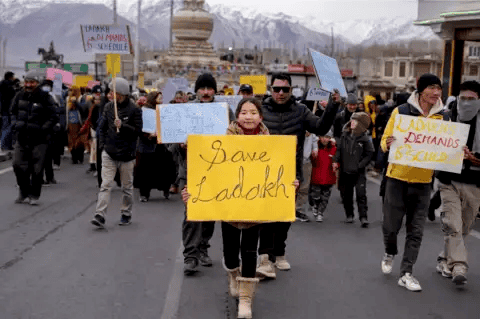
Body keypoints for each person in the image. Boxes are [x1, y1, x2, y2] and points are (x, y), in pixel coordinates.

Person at [182, 98, 284, 319]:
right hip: (228, 209)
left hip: (255, 208)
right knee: (230, 253)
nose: (249, 116)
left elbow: (279, 172)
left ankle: (246, 298)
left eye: (253, 112)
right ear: (237, 117)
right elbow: (208, 171)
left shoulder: (273, 144)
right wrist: (193, 191)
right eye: (244, 112)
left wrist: (288, 184)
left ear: (261, 117)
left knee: (249, 251)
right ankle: (233, 274)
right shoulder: (221, 141)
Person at [256, 72, 340, 279]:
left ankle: (280, 252)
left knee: (285, 217)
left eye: (285, 89)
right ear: (270, 90)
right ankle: (265, 256)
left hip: (291, 174)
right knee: (266, 216)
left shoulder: (301, 111)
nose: (281, 93)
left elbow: (321, 127)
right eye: (277, 89)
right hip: (263, 173)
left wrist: (332, 106)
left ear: (291, 90)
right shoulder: (259, 111)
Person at [380, 73, 446, 292]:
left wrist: (458, 152)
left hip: (423, 181)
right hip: (397, 178)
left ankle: (406, 272)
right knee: (391, 227)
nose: (436, 93)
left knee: (416, 229)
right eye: (432, 88)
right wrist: (388, 143)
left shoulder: (444, 117)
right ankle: (390, 250)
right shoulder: (401, 111)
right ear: (421, 90)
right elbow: (383, 141)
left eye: (439, 88)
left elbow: (447, 146)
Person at [181, 73, 235, 274]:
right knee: (192, 214)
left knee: (210, 214)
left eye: (209, 88)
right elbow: (171, 146)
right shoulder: (187, 111)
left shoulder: (225, 111)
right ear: (196, 91)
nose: (205, 92)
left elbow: (234, 138)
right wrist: (181, 145)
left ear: (215, 90)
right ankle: (190, 256)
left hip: (216, 170)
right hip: (191, 170)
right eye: (202, 88)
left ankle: (203, 247)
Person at [435, 80, 480, 286]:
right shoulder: (446, 117)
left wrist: (474, 159)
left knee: (463, 227)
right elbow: (433, 145)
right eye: (463, 98)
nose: (467, 102)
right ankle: (459, 266)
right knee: (452, 223)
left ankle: (445, 258)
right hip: (449, 180)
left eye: (472, 99)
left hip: (474, 182)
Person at [91, 77, 142, 228]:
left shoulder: (135, 110)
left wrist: (123, 125)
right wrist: (102, 145)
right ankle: (100, 214)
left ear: (122, 93)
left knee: (126, 187)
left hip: (126, 155)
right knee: (105, 185)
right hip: (109, 153)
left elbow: (138, 131)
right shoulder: (108, 107)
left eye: (115, 93)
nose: (112, 95)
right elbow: (102, 127)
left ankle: (126, 212)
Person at [10, 70, 58, 205]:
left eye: (31, 82)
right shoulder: (19, 95)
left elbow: (53, 116)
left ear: (37, 83)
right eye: (26, 82)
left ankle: (34, 195)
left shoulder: (45, 97)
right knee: (18, 165)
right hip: (21, 137)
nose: (28, 85)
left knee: (37, 170)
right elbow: (12, 112)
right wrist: (15, 124)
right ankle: (23, 191)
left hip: (40, 139)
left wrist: (43, 128)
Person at [333, 112, 374, 226]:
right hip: (345, 170)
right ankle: (349, 215)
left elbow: (369, 153)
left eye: (355, 121)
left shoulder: (364, 138)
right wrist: (336, 161)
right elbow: (339, 149)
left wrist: (360, 165)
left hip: (358, 172)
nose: (352, 123)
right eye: (352, 120)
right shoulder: (344, 135)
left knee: (361, 194)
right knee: (347, 194)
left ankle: (363, 217)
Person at [135, 91, 176, 202]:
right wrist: (148, 135)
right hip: (146, 146)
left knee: (164, 169)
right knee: (145, 171)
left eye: (162, 98)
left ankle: (165, 189)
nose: (161, 100)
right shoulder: (144, 111)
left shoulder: (163, 110)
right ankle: (144, 193)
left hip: (160, 145)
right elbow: (139, 128)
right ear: (153, 98)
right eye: (159, 98)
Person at [309, 131, 337, 222]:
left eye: (327, 137)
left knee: (325, 198)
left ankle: (320, 213)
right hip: (316, 177)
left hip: (329, 177)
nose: (325, 139)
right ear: (319, 137)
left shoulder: (333, 148)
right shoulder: (314, 147)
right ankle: (315, 206)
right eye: (323, 137)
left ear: (330, 138)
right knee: (316, 196)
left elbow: (338, 160)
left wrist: (337, 165)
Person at [294, 131, 318, 222]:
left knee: (304, 187)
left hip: (306, 161)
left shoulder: (312, 135)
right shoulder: (297, 128)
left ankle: (299, 210)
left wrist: (315, 149)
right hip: (293, 160)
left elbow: (314, 140)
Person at [1, 71, 16, 152]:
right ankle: (4, 145)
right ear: (10, 77)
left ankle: (7, 146)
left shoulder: (3, 84)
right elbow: (12, 97)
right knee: (7, 128)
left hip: (4, 109)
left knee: (7, 127)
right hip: (8, 109)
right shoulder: (9, 86)